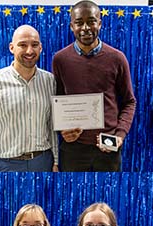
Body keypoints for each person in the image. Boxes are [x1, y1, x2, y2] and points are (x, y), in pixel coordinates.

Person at [52, 0, 136, 172]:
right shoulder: (60, 59)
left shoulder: (117, 58)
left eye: (91, 21)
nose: (85, 28)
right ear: (71, 26)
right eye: (79, 22)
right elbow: (57, 101)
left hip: (108, 145)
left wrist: (120, 136)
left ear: (99, 23)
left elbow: (129, 101)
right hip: (73, 147)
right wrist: (62, 129)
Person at [0, 25, 58, 172]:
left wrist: (56, 161)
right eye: (22, 45)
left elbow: (52, 125)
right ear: (11, 47)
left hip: (43, 162)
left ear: (40, 48)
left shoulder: (49, 81)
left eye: (34, 45)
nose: (29, 51)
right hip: (7, 165)